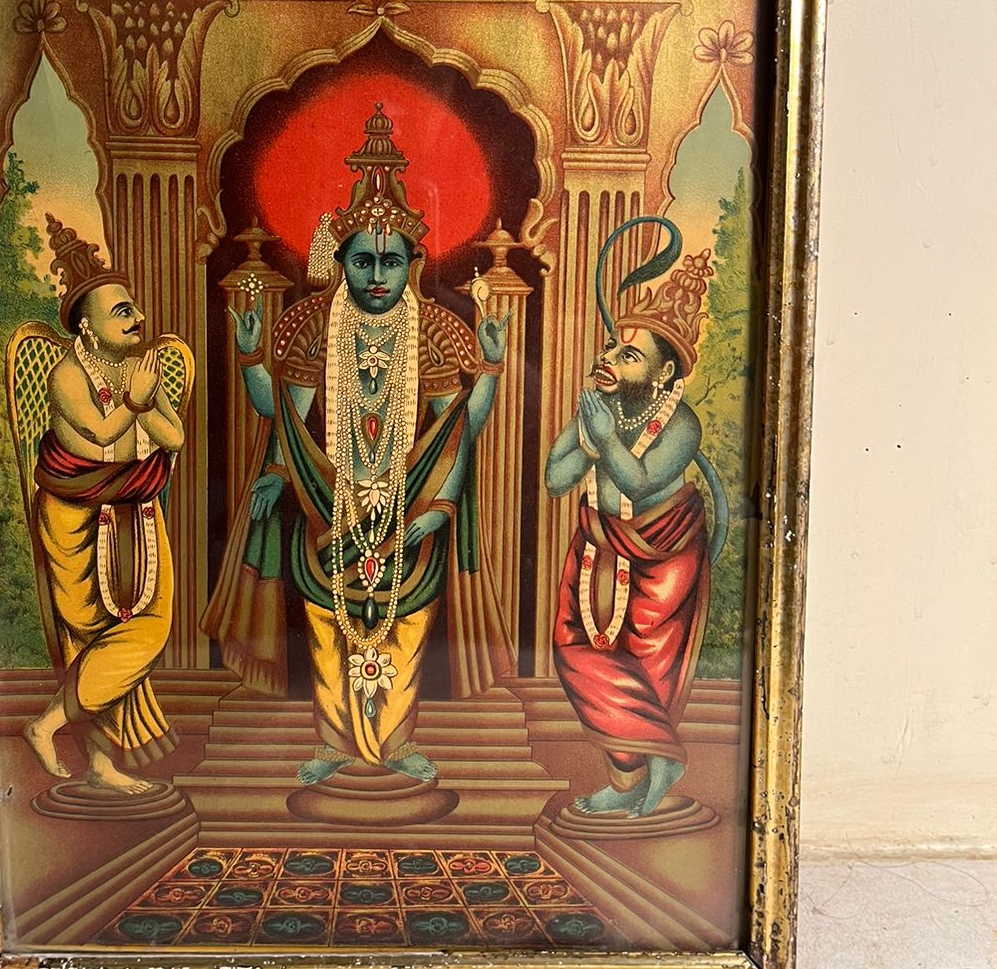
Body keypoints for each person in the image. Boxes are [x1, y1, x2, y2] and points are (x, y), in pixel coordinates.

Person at [211, 104, 514, 787]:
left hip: (410, 507)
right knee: (327, 625)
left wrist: (491, 371)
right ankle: (335, 743)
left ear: (413, 264)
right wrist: (254, 359)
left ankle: (396, 742)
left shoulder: (436, 331)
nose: (378, 274)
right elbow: (282, 418)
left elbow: (459, 429)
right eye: (363, 261)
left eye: (391, 262)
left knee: (405, 626)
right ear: (340, 262)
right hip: (329, 500)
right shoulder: (313, 327)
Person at [545, 220, 723, 819]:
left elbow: (640, 482)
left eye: (629, 355)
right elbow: (555, 479)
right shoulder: (599, 406)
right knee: (574, 650)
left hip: (663, 553)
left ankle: (637, 778)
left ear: (664, 373)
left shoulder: (682, 424)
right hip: (597, 543)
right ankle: (649, 764)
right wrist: (589, 436)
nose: (609, 359)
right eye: (610, 348)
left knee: (645, 664)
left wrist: (602, 440)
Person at [21, 216, 186, 795]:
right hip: (76, 518)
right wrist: (136, 404)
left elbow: (174, 437)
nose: (137, 318)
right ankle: (89, 754)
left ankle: (56, 731)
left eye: (134, 308)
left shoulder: (136, 370)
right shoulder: (68, 374)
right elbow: (95, 436)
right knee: (89, 637)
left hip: (136, 507)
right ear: (87, 327)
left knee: (149, 627)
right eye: (122, 312)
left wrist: (145, 402)